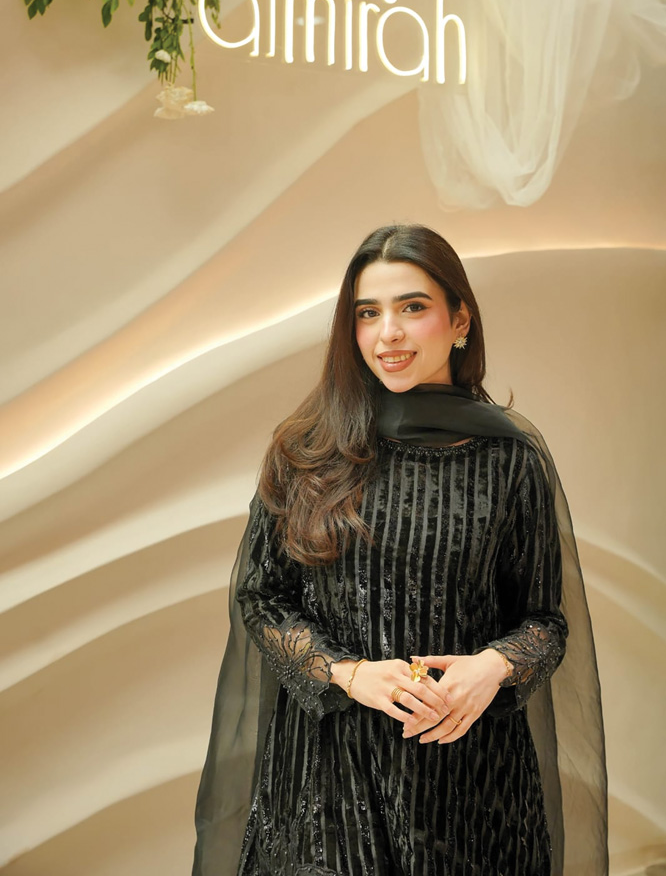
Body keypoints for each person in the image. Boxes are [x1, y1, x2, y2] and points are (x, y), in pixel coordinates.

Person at [191, 223, 608, 876]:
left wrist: (492, 666)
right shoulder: (308, 450)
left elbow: (543, 622)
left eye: (412, 307)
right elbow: (262, 598)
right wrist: (348, 673)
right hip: (327, 778)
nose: (388, 333)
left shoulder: (509, 459)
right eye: (368, 313)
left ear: (460, 320)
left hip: (471, 783)